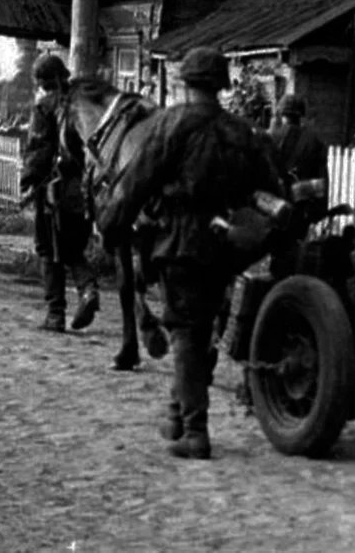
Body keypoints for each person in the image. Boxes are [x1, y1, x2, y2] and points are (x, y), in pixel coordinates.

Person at [99, 47, 281, 460]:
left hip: (179, 240)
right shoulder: (241, 131)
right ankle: (178, 413)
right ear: (221, 85)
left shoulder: (171, 124)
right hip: (225, 243)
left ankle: (195, 431)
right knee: (200, 329)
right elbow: (270, 188)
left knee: (184, 331)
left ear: (186, 82)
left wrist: (111, 223)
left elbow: (135, 183)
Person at [20, 53, 99, 333]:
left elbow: (39, 149)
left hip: (55, 189)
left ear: (42, 81)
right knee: (74, 247)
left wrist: (28, 183)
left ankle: (55, 314)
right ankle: (88, 289)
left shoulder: (44, 106)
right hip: (85, 189)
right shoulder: (85, 104)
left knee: (48, 249)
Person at [270, 94, 329, 238]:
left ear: (281, 113)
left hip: (270, 210)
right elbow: (320, 186)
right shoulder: (315, 143)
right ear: (301, 115)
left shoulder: (269, 138)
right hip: (299, 213)